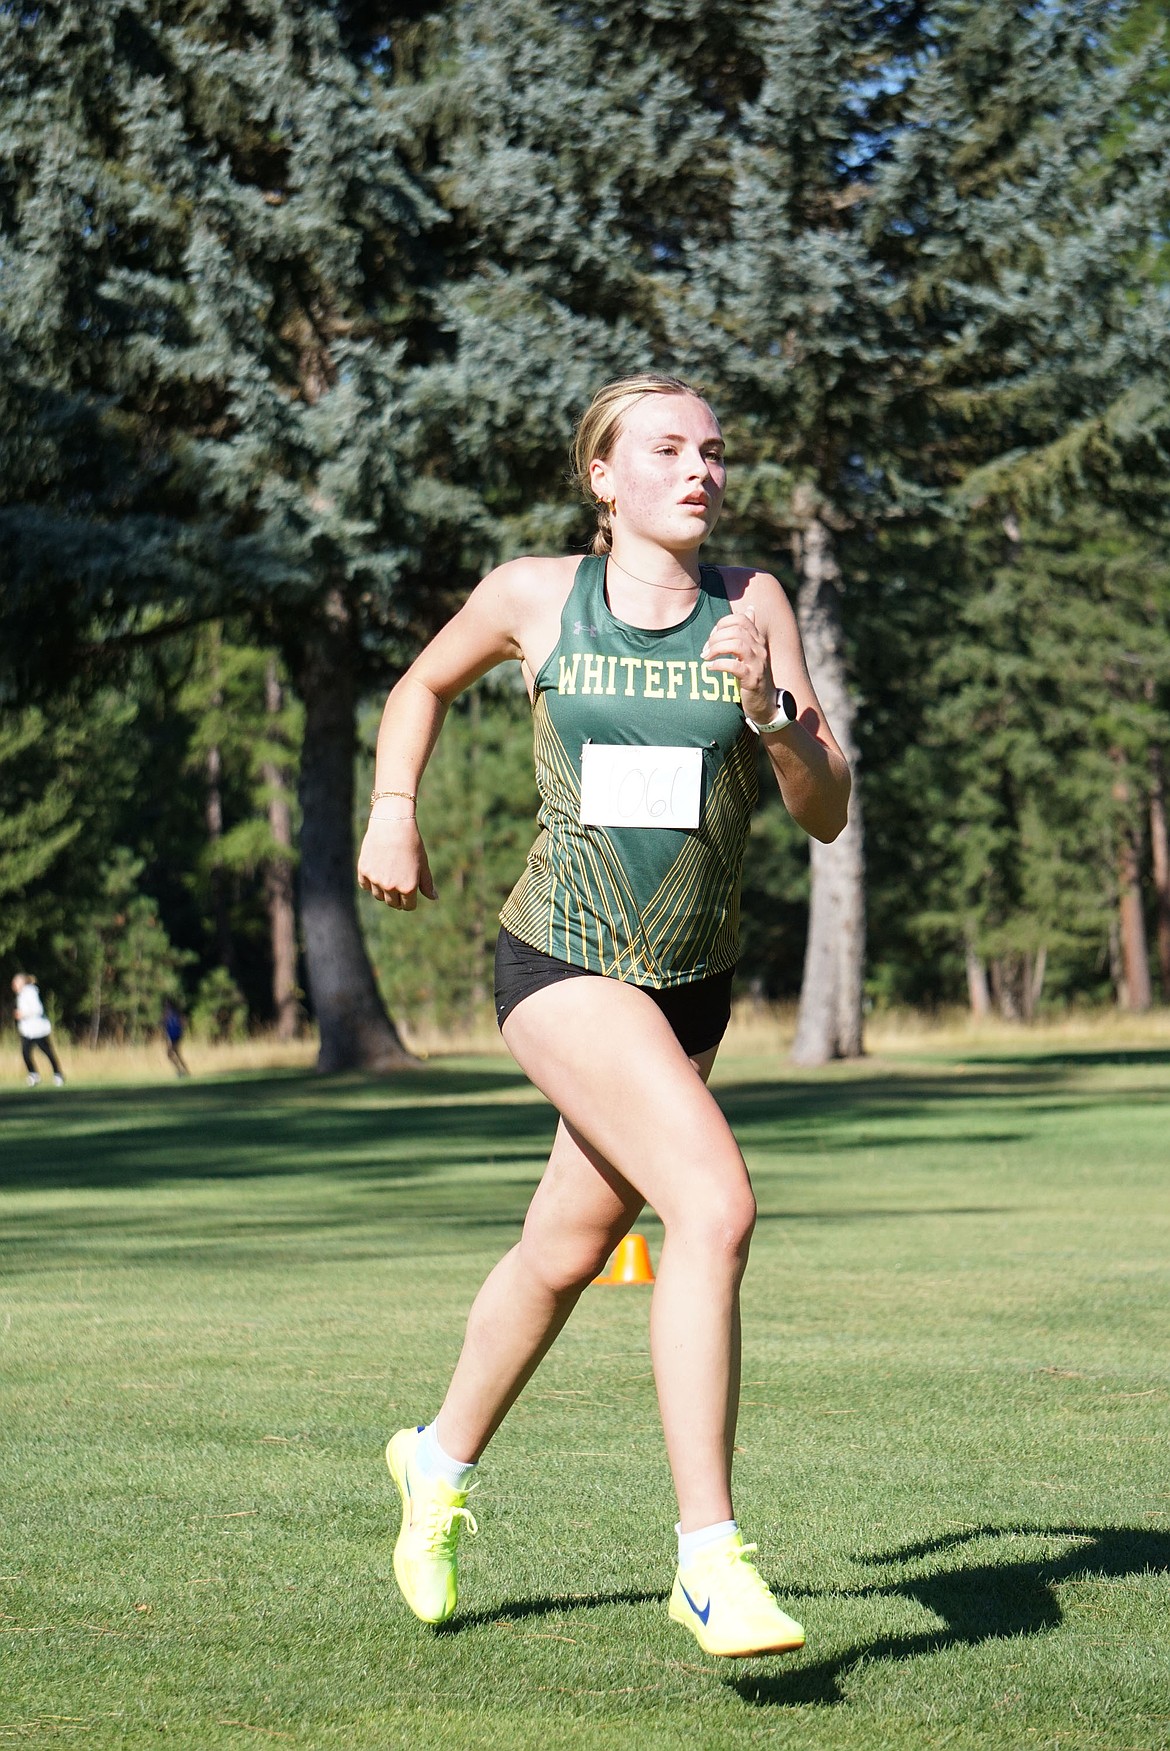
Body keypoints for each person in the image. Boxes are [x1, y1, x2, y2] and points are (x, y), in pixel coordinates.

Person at [357, 372, 851, 1658]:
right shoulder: (536, 594)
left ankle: (437, 1461)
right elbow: (419, 687)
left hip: (690, 989)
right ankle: (708, 1558)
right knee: (716, 1203)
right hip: (560, 962)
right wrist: (394, 805)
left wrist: (773, 713)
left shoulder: (755, 605)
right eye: (669, 449)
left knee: (566, 1249)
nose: (701, 470)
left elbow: (826, 805)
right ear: (605, 479)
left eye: (715, 451)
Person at [12, 973, 65, 1087]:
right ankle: (33, 1074)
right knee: (25, 1052)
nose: (13, 986)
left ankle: (58, 1074)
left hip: (38, 1030)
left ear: (21, 982)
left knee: (47, 1052)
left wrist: (23, 1014)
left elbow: (38, 1010)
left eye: (15, 983)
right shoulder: (21, 994)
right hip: (27, 1031)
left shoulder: (30, 992)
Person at [162, 998, 190, 1077]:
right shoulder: (166, 1014)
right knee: (175, 1054)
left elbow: (184, 1022)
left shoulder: (176, 1013)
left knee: (170, 1053)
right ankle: (184, 1071)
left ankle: (180, 1070)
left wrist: (181, 1031)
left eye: (167, 1005)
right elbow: (163, 1024)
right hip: (171, 1037)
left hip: (177, 1036)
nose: (166, 1006)